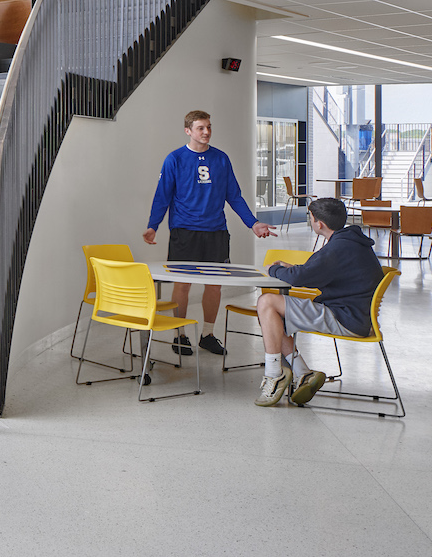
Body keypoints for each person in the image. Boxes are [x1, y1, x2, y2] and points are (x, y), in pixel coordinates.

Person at [142, 109, 275, 358]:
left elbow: (233, 195)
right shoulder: (175, 159)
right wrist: (153, 225)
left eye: (209, 127)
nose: (206, 132)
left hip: (216, 232)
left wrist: (253, 223)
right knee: (182, 284)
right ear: (188, 130)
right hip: (185, 232)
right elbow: (163, 196)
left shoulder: (221, 159)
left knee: (214, 286)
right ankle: (179, 335)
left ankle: (208, 334)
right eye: (201, 128)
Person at [252, 197, 382, 407]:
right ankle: (303, 373)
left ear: (318, 223)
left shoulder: (338, 248)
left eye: (310, 218)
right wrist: (292, 268)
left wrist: (273, 269)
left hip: (345, 318)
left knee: (267, 303)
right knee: (271, 312)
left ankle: (274, 375)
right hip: (355, 315)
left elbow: (302, 278)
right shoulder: (349, 242)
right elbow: (314, 270)